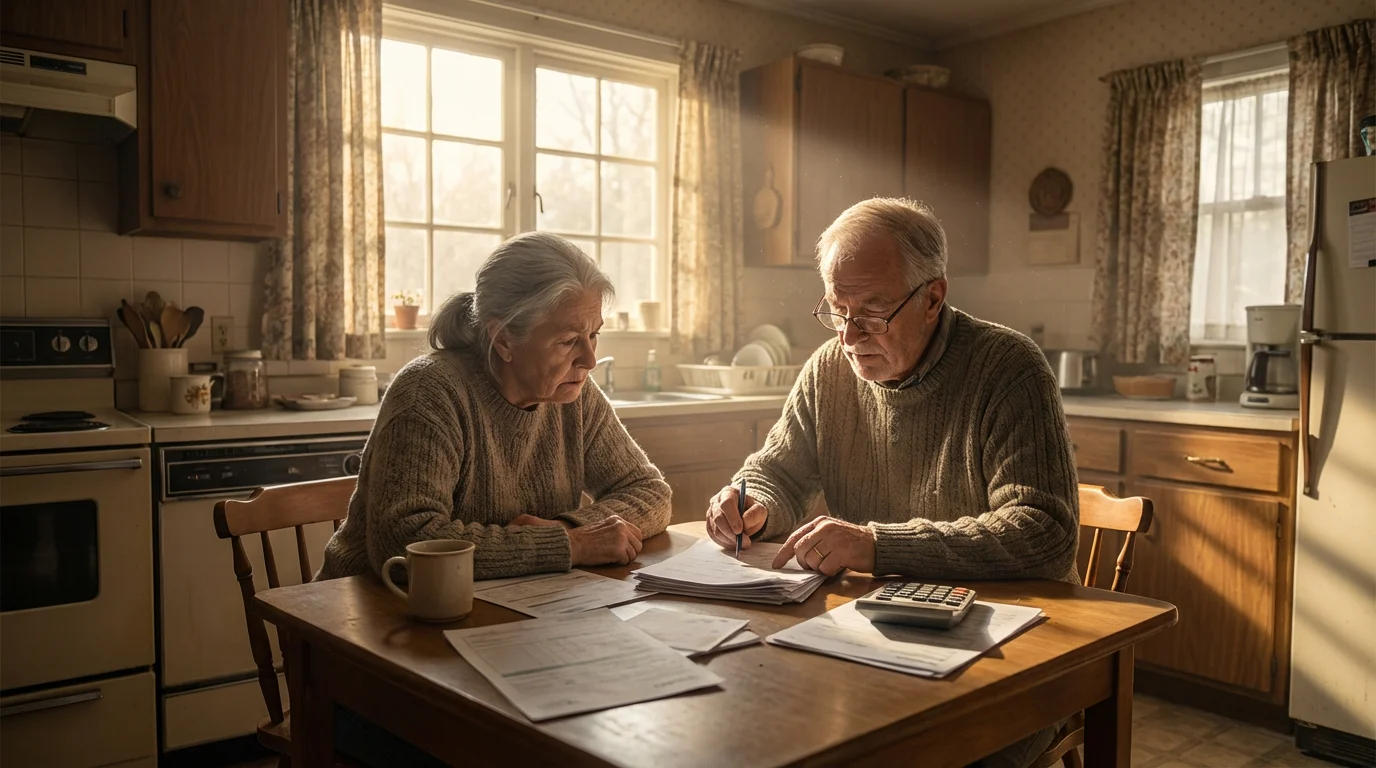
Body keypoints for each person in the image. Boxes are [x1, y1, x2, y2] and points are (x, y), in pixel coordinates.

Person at [704, 198, 1079, 768]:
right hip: (877, 631)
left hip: (1011, 641)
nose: (850, 334)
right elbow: (776, 469)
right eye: (837, 309)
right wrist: (750, 500)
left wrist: (878, 545)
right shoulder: (829, 368)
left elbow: (1045, 533)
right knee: (765, 725)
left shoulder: (1008, 368)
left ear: (933, 297)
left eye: (874, 311)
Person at [317, 231, 671, 584]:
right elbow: (406, 541)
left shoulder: (574, 395)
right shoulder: (429, 391)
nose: (590, 360)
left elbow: (650, 491)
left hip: (505, 604)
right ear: (503, 340)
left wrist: (568, 529)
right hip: (366, 608)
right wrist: (569, 545)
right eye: (568, 341)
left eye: (593, 335)